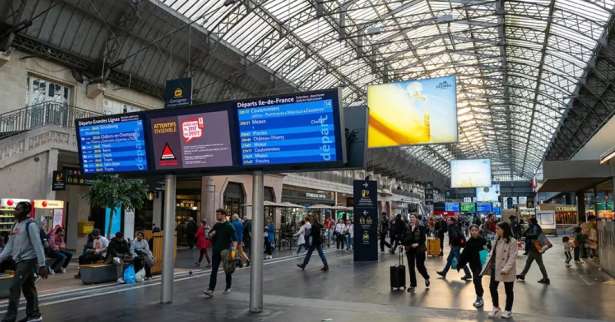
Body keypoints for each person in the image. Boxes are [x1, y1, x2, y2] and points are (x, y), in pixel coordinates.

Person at [0, 201, 48, 322]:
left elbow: (38, 245)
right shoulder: (15, 225)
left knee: (14, 287)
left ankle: (10, 318)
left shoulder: (30, 225)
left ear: (25, 211)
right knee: (28, 288)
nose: (15, 211)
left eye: (18, 209)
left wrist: (42, 264)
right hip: (19, 261)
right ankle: (34, 315)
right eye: (15, 208)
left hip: (28, 261)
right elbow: (9, 246)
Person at [486, 222, 518, 319]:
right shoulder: (497, 238)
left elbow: (513, 257)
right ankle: (495, 307)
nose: (496, 230)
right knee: (492, 287)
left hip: (507, 269)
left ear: (504, 229)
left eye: (498, 229)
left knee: (509, 291)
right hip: (496, 267)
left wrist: (506, 269)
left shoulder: (512, 241)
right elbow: (492, 251)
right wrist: (488, 260)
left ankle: (508, 310)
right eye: (496, 228)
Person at [204, 209, 237, 298]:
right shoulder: (217, 225)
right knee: (214, 270)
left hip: (226, 251)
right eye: (216, 214)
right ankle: (211, 289)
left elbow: (235, 240)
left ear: (223, 215)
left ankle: (228, 286)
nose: (216, 216)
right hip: (216, 250)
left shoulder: (229, 226)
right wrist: (210, 234)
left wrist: (233, 254)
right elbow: (209, 236)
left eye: (218, 214)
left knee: (227, 269)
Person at [458, 224, 488, 308]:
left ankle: (479, 298)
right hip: (473, 264)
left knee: (476, 279)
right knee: (477, 280)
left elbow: (489, 250)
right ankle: (479, 297)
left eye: (476, 230)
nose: (474, 232)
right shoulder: (469, 242)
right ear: (470, 232)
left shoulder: (483, 240)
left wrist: (487, 248)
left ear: (478, 231)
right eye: (472, 230)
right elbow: (465, 254)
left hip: (481, 264)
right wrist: (460, 264)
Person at [517, 217, 549, 285]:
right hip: (532, 248)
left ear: (531, 221)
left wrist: (527, 235)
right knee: (528, 262)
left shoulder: (535, 227)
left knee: (540, 263)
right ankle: (522, 275)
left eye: (529, 221)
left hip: (535, 247)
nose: (528, 222)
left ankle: (546, 278)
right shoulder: (532, 226)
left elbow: (534, 235)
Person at [402, 215, 430, 292]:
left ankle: (426, 277)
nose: (411, 219)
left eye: (413, 217)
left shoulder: (421, 227)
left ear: (416, 219)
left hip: (419, 249)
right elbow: (403, 237)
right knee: (411, 267)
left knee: (419, 266)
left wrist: (417, 243)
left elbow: (423, 238)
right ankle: (413, 285)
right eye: (410, 218)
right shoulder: (406, 228)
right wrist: (404, 243)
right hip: (409, 249)